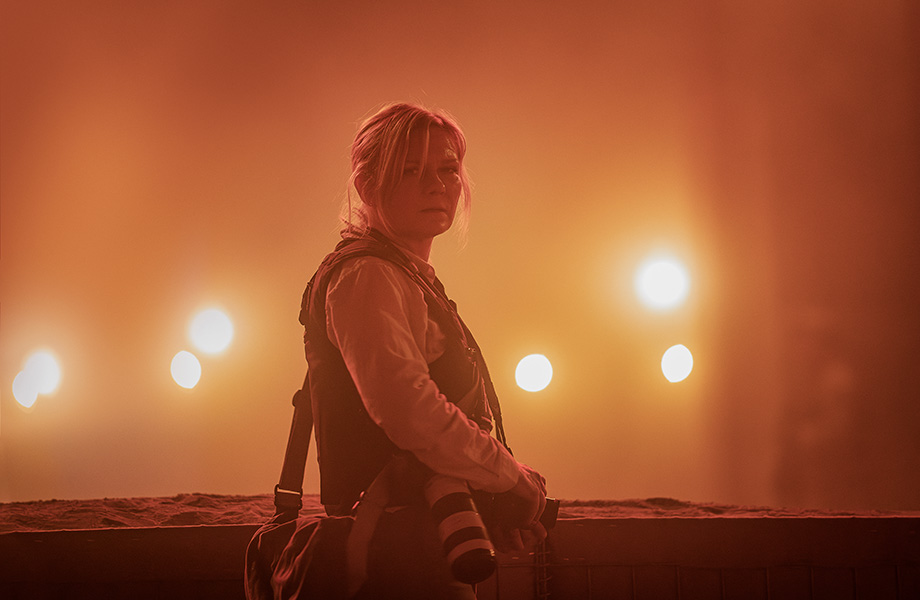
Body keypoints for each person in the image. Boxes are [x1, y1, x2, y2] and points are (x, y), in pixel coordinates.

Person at [299, 102, 548, 599]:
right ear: (367, 186)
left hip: (418, 542)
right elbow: (409, 411)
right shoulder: (367, 275)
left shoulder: (400, 275)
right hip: (389, 555)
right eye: (411, 170)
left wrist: (486, 500)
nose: (436, 185)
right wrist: (508, 477)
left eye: (448, 169)